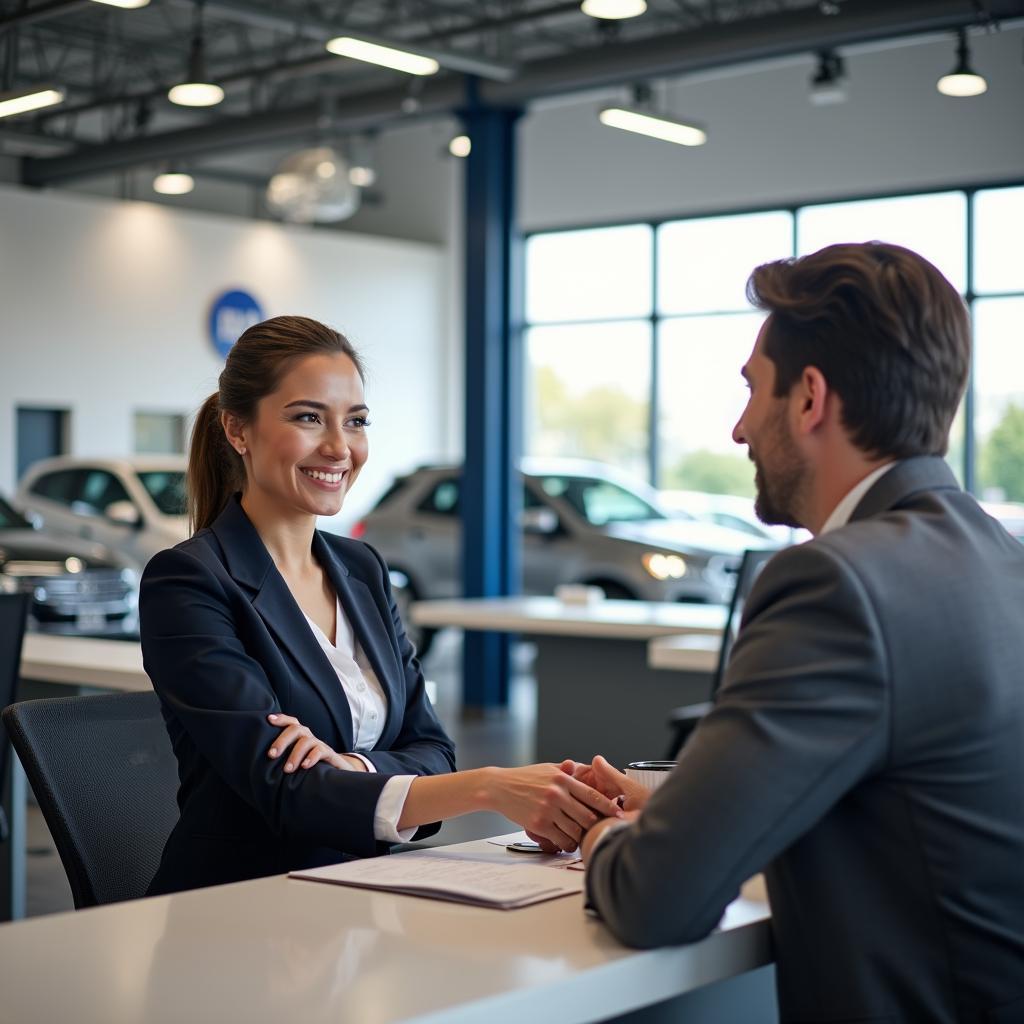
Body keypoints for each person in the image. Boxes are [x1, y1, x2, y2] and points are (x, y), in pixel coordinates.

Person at [576, 243, 1024, 1023]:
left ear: (810, 398)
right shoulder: (999, 561)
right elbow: (913, 800)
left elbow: (658, 900)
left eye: (753, 389)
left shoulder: (836, 584)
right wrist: (694, 805)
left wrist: (608, 840)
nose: (740, 427)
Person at [140, 314, 620, 896]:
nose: (340, 447)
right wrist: (489, 787)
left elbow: (433, 748)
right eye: (308, 417)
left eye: (356, 421)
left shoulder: (361, 570)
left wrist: (355, 768)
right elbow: (283, 788)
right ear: (238, 430)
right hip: (242, 906)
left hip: (365, 890)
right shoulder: (189, 581)